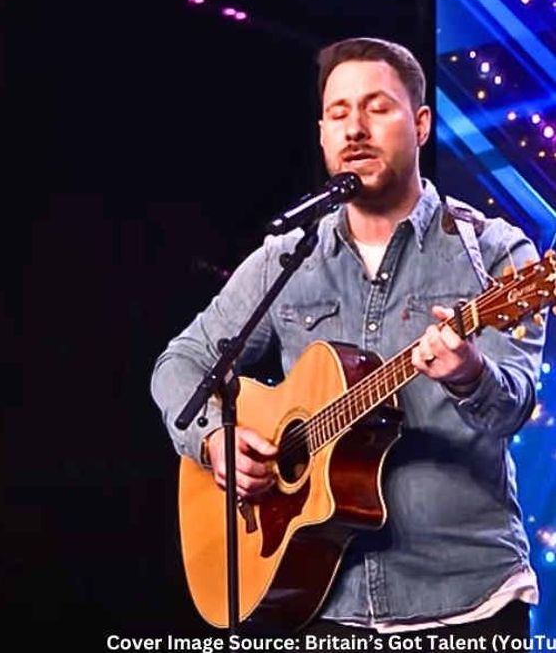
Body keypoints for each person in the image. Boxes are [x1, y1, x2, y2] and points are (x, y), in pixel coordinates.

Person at [150, 37, 543, 638]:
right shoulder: (287, 258)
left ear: (421, 124)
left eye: (377, 108)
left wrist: (468, 373)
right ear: (322, 134)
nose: (355, 128)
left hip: (466, 599)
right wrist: (213, 442)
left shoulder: (494, 251)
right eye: (339, 114)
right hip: (319, 601)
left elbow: (514, 403)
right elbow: (180, 365)